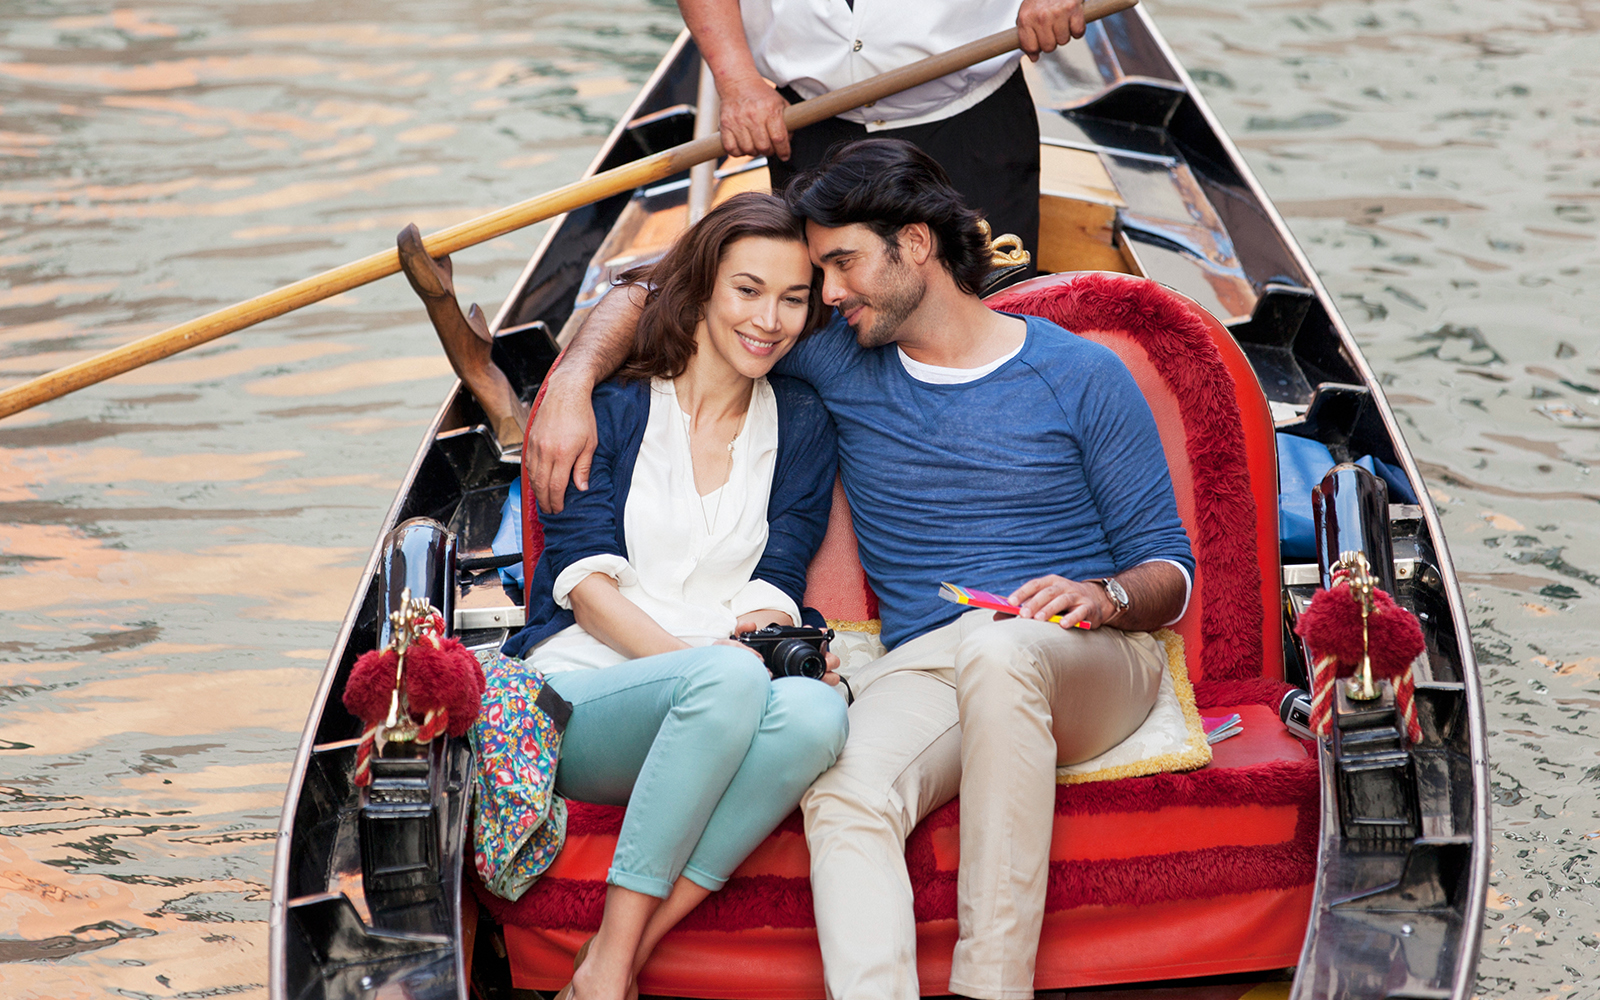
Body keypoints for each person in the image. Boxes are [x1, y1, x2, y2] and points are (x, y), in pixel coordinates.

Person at [525, 139, 1195, 1000]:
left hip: (1089, 657)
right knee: (843, 788)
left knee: (1005, 650)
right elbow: (661, 293)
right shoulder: (839, 355)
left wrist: (1101, 596)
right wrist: (573, 380)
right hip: (932, 663)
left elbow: (1169, 572)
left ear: (914, 245)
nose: (824, 296)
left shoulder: (1080, 375)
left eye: (841, 265)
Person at [399, 192, 850, 1000]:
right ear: (705, 288)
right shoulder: (606, 408)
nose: (770, 320)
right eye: (748, 290)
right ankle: (611, 968)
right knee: (732, 681)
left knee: (820, 716)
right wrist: (711, 674)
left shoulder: (805, 421)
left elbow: (781, 572)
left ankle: (616, 953)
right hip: (584, 696)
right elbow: (584, 588)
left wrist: (778, 642)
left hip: (721, 689)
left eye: (793, 298)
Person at [679, 0, 1090, 275]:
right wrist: (736, 80)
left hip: (971, 120)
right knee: (829, 335)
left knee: (989, 319)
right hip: (808, 123)